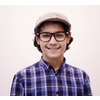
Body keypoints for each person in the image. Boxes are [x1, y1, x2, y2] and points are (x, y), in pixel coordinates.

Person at [10, 12, 92, 96]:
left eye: (59, 35)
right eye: (46, 35)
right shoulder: (22, 78)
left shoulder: (82, 77)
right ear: (37, 39)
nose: (53, 42)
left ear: (68, 38)